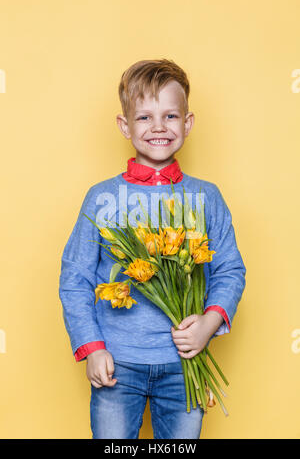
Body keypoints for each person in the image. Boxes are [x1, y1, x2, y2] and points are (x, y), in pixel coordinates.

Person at [59, 59, 246, 439]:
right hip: (117, 363)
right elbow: (75, 276)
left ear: (188, 123)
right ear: (124, 126)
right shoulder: (103, 198)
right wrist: (91, 347)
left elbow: (230, 269)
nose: (158, 127)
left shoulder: (205, 197)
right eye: (144, 117)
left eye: (170, 115)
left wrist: (209, 323)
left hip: (183, 365)